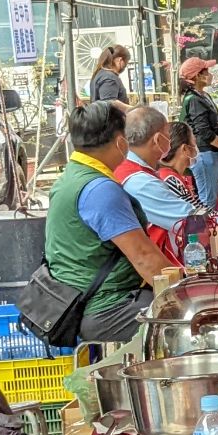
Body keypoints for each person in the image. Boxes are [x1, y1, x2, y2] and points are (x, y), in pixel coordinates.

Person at [45, 99, 173, 343]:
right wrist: (189, 296)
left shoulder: (71, 176)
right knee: (191, 326)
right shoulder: (100, 190)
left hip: (84, 301)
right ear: (121, 142)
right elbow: (146, 259)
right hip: (107, 309)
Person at [113, 105, 198, 261]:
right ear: (158, 139)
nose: (170, 142)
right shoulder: (140, 182)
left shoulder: (128, 168)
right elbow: (191, 220)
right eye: (168, 136)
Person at [178, 57, 218, 208]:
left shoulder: (205, 96)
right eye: (207, 72)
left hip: (217, 151)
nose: (210, 75)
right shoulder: (193, 100)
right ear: (198, 76)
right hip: (204, 153)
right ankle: (206, 223)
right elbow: (204, 131)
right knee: (208, 199)